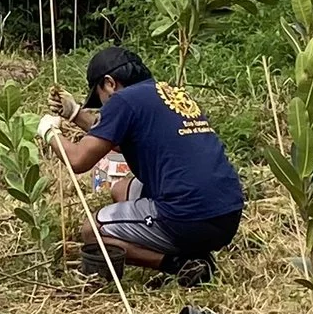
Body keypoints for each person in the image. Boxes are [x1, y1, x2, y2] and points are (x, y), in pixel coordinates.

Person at [38, 46, 245, 288]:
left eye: (100, 99)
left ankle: (178, 264)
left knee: (93, 231)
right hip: (227, 213)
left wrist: (49, 132)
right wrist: (74, 113)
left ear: (109, 83)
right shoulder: (168, 94)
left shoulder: (123, 101)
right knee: (121, 189)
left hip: (188, 216)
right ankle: (193, 250)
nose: (104, 107)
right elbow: (113, 138)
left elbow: (78, 160)